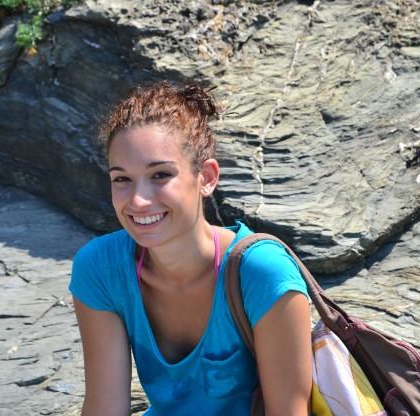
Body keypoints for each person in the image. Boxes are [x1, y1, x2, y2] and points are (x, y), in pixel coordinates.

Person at [69, 81, 312, 416]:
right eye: (121, 179)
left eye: (160, 175)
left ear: (207, 178)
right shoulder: (100, 268)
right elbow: (104, 408)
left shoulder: (262, 273)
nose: (138, 201)